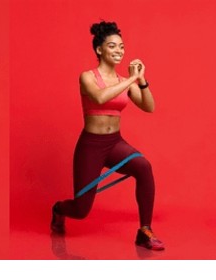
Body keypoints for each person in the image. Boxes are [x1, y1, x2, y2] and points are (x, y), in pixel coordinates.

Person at [50, 20, 163, 251]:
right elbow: (100, 98)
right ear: (99, 49)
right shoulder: (87, 77)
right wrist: (132, 79)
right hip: (91, 145)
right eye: (112, 46)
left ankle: (144, 231)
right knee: (81, 210)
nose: (119, 51)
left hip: (114, 144)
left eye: (121, 46)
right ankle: (58, 209)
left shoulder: (124, 81)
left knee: (144, 167)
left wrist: (141, 81)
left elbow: (149, 107)